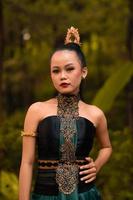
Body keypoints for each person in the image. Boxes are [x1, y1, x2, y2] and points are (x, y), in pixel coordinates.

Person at [19, 27, 112, 200]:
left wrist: (97, 165)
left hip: (85, 195)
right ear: (51, 74)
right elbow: (27, 162)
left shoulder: (95, 114)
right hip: (45, 196)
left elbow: (107, 147)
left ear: (83, 72)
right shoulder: (36, 110)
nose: (63, 76)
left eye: (69, 69)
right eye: (56, 71)